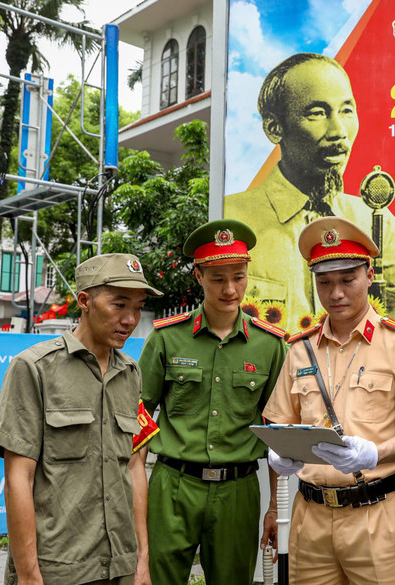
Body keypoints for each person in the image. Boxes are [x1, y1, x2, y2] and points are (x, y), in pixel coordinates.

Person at [262, 215, 395, 584]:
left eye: (348, 280)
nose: (336, 293)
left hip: (376, 514)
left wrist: (375, 454)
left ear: (368, 275)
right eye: (325, 282)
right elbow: (279, 423)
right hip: (310, 516)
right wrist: (279, 454)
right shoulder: (300, 350)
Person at [223, 52, 395, 331]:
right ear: (274, 127)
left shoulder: (371, 218)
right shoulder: (233, 219)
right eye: (318, 113)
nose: (339, 131)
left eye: (347, 110)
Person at [0, 253, 162, 585]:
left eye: (138, 308)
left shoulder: (130, 373)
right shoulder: (35, 368)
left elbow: (134, 467)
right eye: (119, 305)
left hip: (121, 565)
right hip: (59, 568)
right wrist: (28, 575)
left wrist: (141, 561)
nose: (130, 319)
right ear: (85, 301)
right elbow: (18, 478)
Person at [139, 219, 288, 585]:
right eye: (218, 278)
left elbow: (276, 432)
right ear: (199, 276)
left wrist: (274, 507)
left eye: (238, 276)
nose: (230, 289)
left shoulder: (270, 346)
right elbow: (138, 418)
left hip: (237, 490)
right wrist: (136, 503)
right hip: (172, 485)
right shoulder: (166, 340)